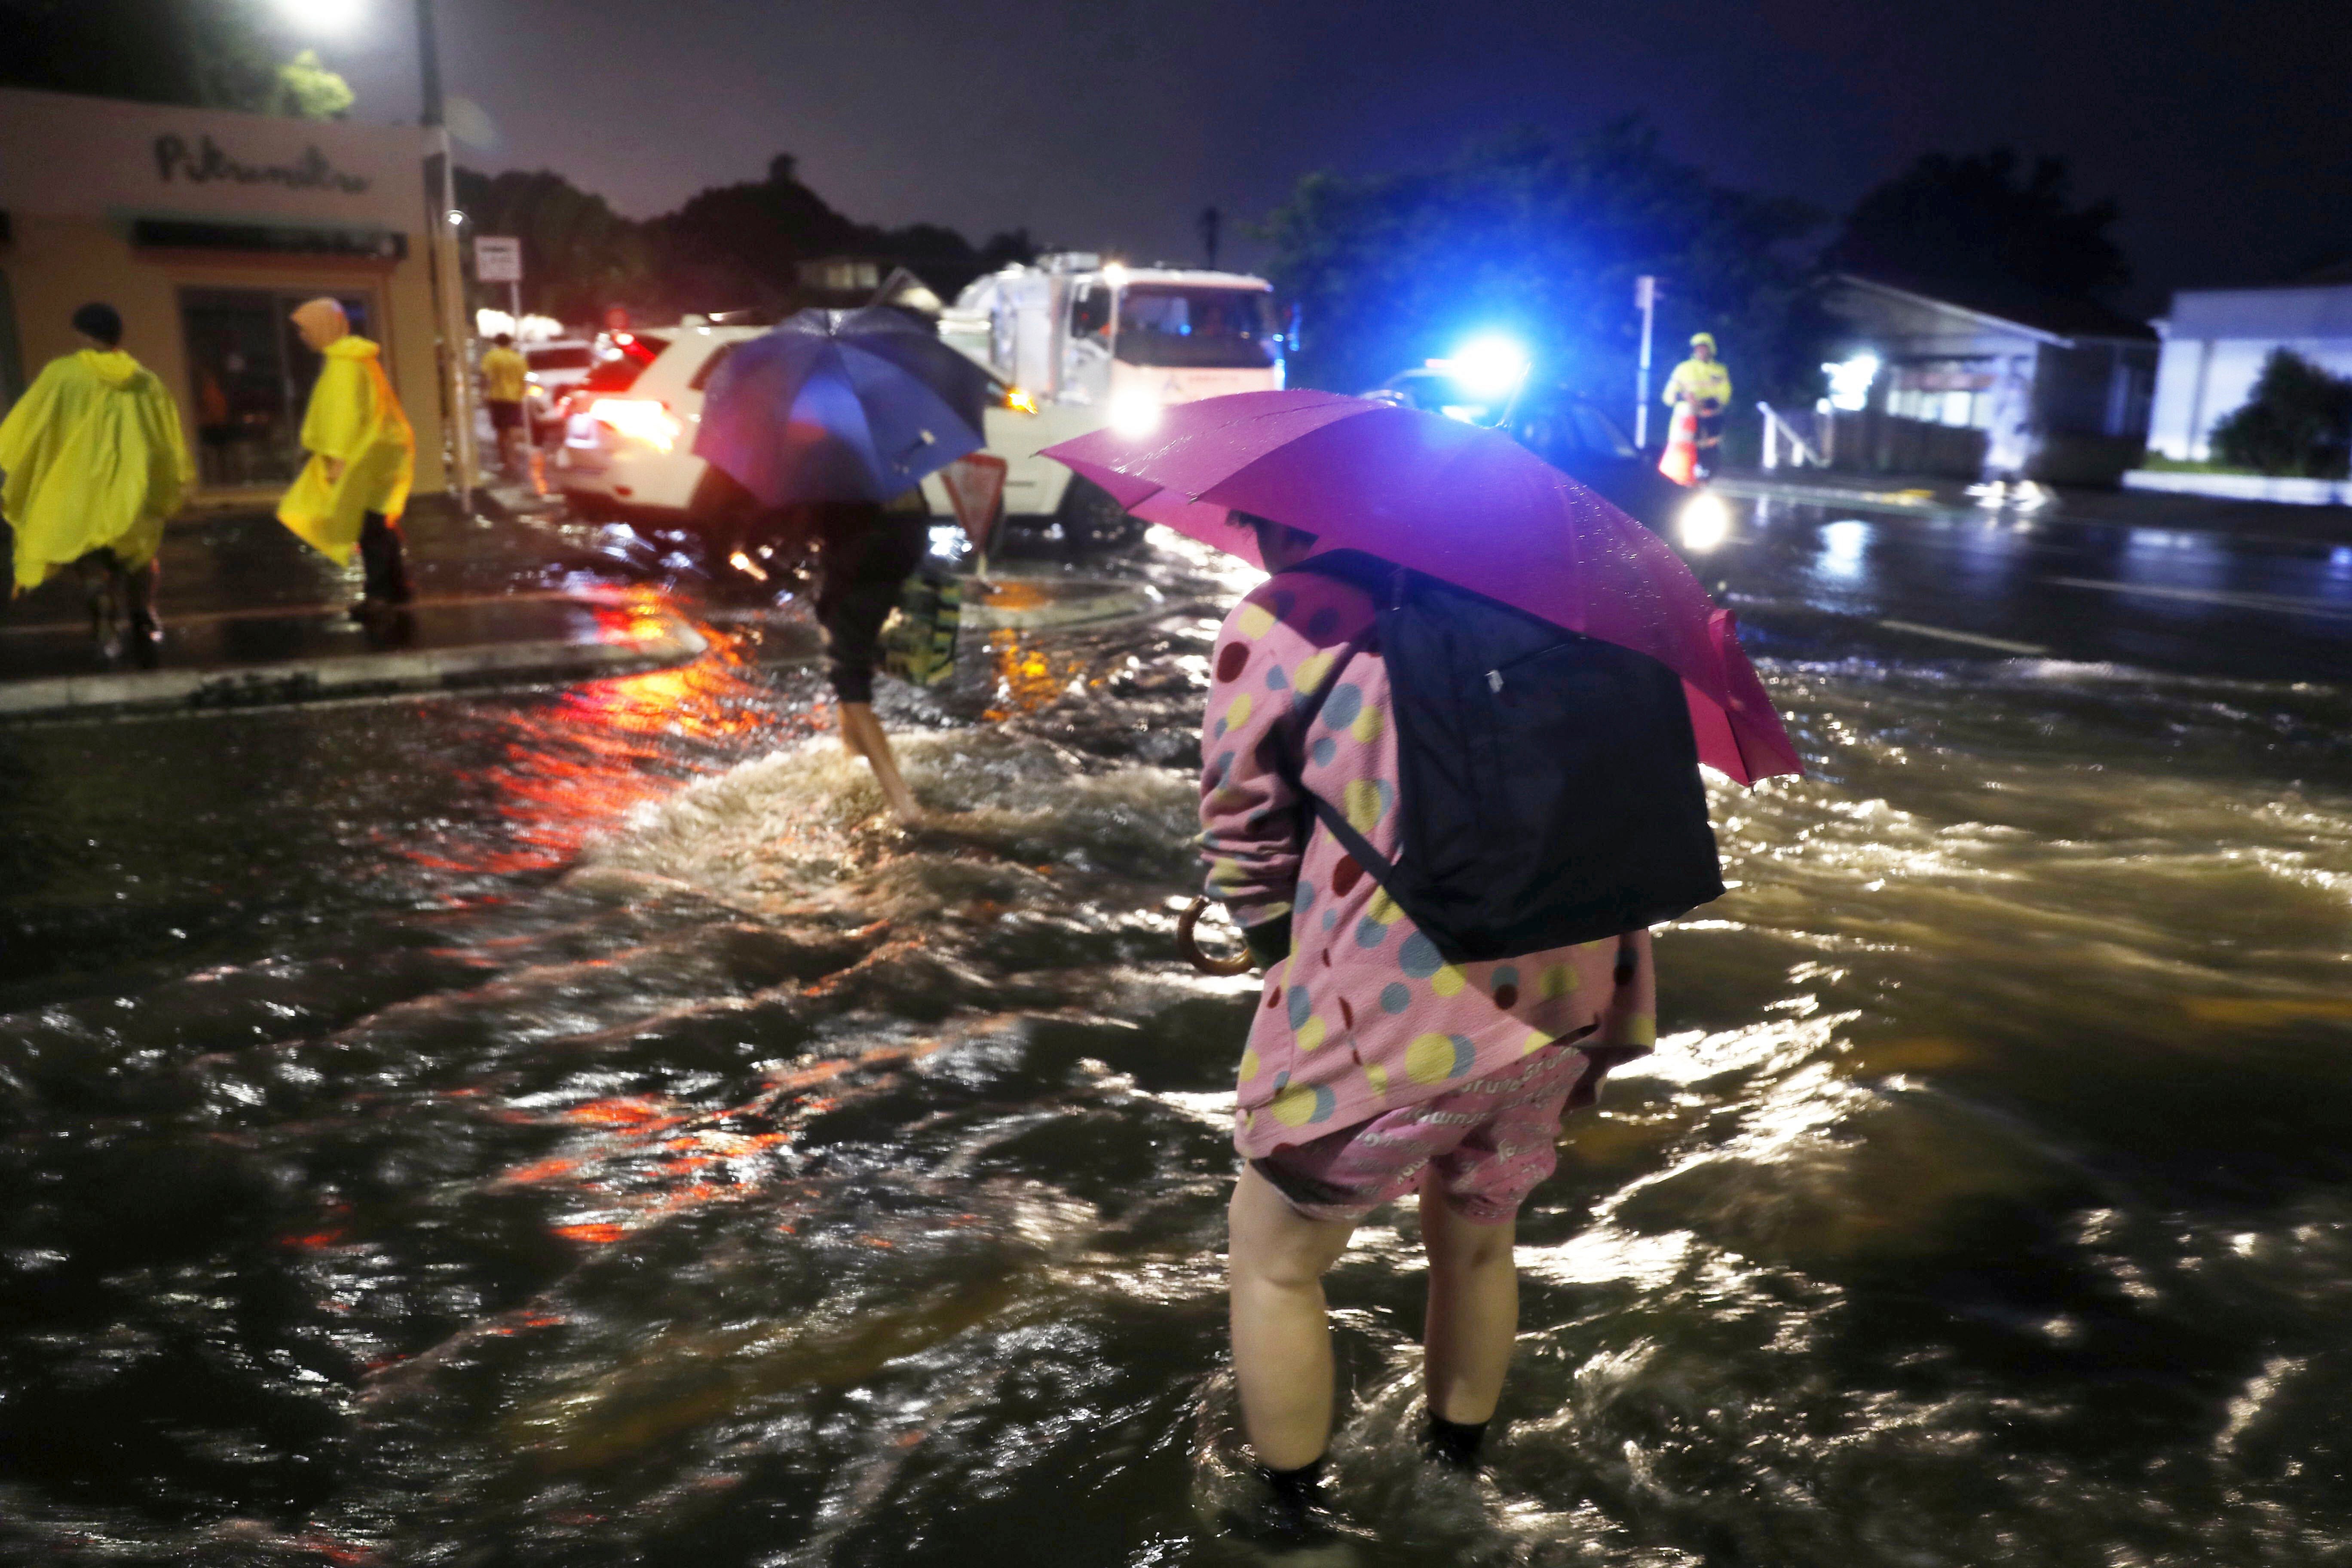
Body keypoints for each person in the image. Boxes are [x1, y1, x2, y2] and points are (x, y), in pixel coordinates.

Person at [1202, 512, 1657, 1540]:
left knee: (1272, 1256)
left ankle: (1295, 1531)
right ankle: (1452, 1483)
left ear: (1286, 509)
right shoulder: (1549, 607)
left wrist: (1273, 943)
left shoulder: (1291, 611)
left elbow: (1240, 823)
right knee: (1479, 1240)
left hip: (1393, 1006)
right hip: (1560, 991)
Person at [0, 302, 192, 663]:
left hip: (78, 488)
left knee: (89, 557)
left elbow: (31, 424)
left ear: (83, 334)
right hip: (131, 489)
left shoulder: (62, 374)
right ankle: (143, 616)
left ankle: (103, 619)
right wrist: (168, 483)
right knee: (140, 555)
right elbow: (165, 438)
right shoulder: (145, 380)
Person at [276, 298, 415, 622]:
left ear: (325, 326)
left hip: (363, 456)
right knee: (378, 523)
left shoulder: (344, 365)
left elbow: (344, 416)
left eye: (306, 328)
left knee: (370, 528)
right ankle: (397, 587)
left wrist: (337, 459)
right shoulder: (357, 360)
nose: (303, 336)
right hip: (379, 451)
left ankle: (381, 595)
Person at [1662, 331, 1732, 480]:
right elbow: (1668, 397)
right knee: (1683, 458)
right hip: (1686, 424)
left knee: (1709, 456)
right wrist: (1684, 397)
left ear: (1711, 349)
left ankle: (1705, 481)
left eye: (1704, 348)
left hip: (1711, 421)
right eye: (1698, 348)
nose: (1701, 351)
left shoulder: (1720, 370)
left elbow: (1725, 394)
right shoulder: (1683, 369)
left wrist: (1707, 403)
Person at [479, 331, 530, 477]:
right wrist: (523, 390)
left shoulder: (491, 357)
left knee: (501, 430)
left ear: (496, 342)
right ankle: (512, 458)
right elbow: (526, 377)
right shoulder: (518, 358)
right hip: (515, 398)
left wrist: (484, 392)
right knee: (513, 428)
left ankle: (504, 459)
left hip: (497, 397)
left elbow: (484, 375)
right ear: (510, 342)